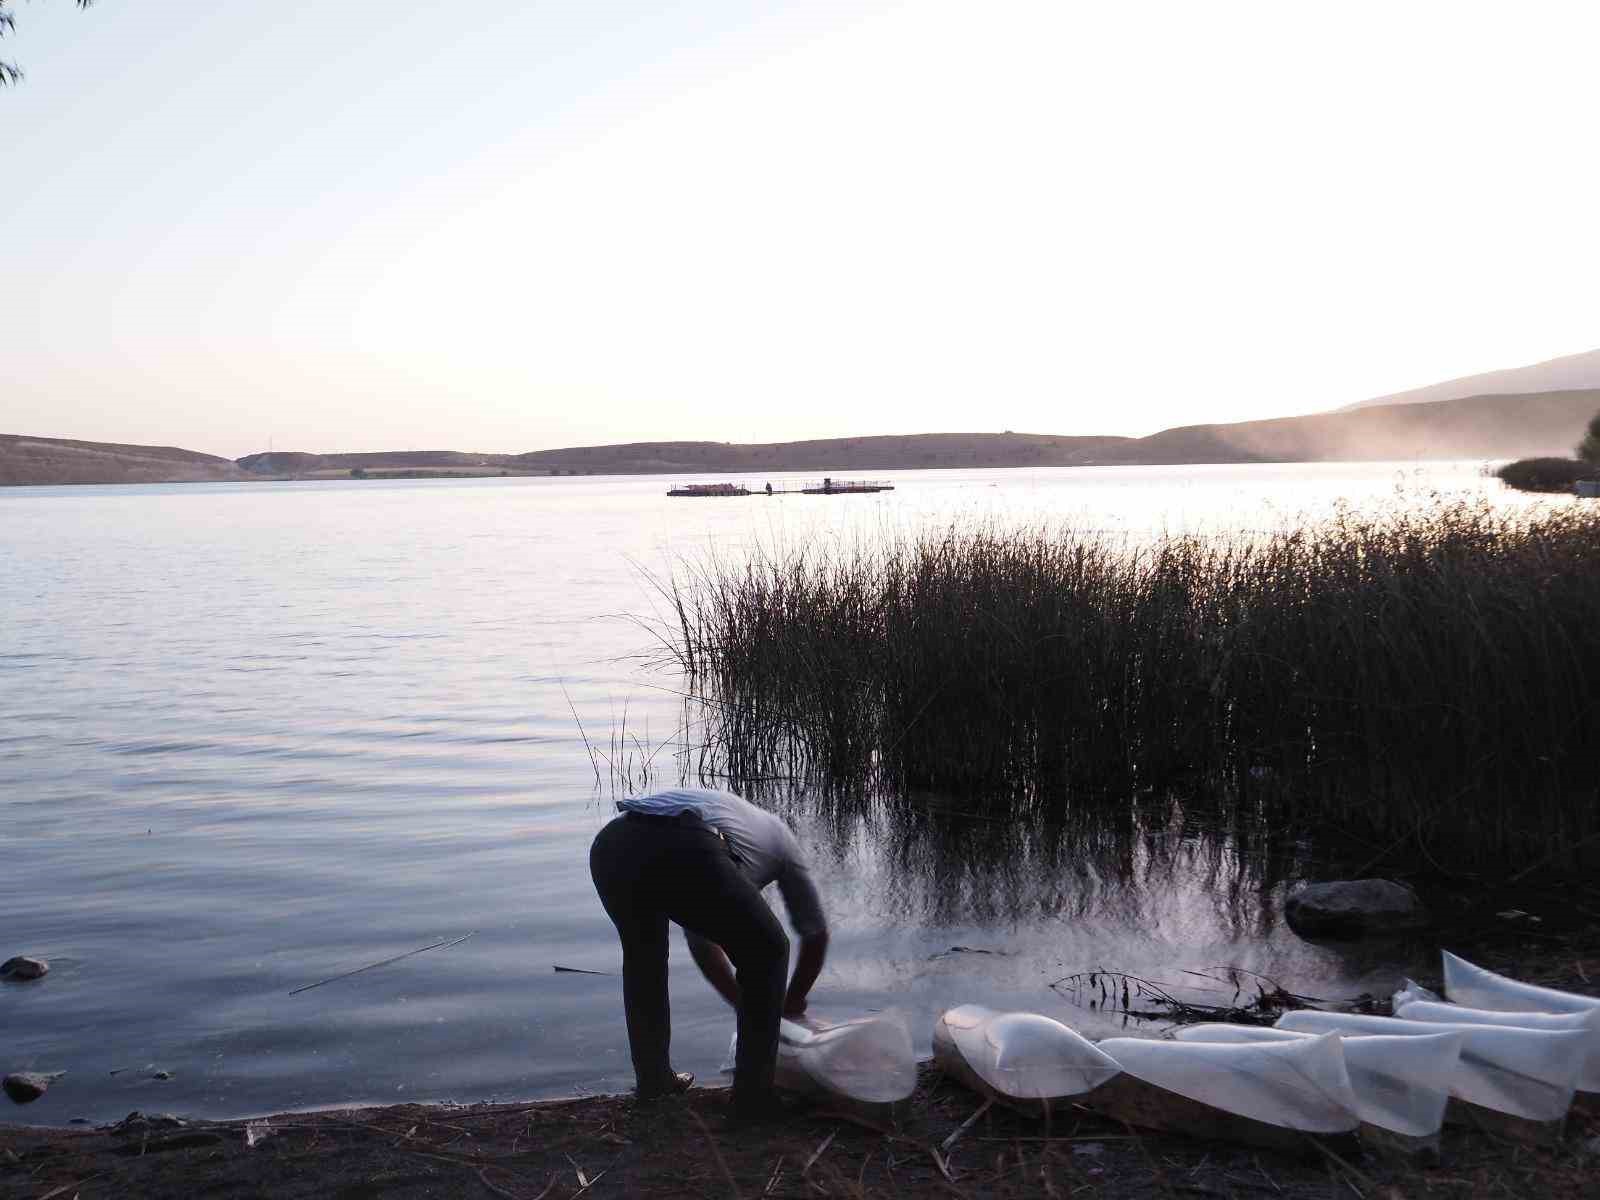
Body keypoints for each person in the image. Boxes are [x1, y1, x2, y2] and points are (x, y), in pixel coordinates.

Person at [589, 787, 829, 1119]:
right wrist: (790, 1002)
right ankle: (754, 1101)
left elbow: (702, 940)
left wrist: (751, 1005)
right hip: (686, 841)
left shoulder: (743, 828)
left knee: (645, 959)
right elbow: (815, 934)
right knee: (770, 950)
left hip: (612, 845)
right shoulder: (785, 846)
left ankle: (654, 1084)